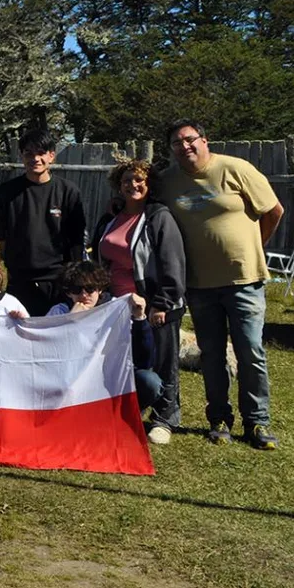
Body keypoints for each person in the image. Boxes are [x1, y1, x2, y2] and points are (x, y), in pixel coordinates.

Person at [157, 120, 284, 450]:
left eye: (190, 139)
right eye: (176, 142)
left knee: (250, 351)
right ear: (171, 149)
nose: (185, 146)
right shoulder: (168, 182)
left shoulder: (236, 168)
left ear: (204, 140)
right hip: (199, 284)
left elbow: (274, 211)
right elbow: (143, 202)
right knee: (211, 354)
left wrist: (254, 247)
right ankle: (219, 419)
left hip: (244, 280)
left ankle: (257, 421)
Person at [91, 158, 187, 445]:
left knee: (163, 361)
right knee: (125, 361)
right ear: (118, 185)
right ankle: (125, 410)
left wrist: (162, 303)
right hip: (115, 304)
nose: (133, 185)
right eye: (126, 180)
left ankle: (165, 419)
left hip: (154, 303)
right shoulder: (111, 217)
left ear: (149, 184)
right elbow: (100, 255)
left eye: (139, 180)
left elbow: (173, 263)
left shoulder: (159, 216)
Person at [45, 272, 166, 427]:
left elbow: (145, 359)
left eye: (90, 289)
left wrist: (139, 317)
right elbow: (50, 354)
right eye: (77, 290)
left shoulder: (116, 307)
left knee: (150, 381)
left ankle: (127, 416)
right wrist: (71, 322)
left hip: (110, 376)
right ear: (68, 292)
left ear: (100, 289)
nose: (84, 295)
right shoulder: (59, 312)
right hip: (73, 378)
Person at [0, 129, 87, 316]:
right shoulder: (7, 192)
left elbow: (76, 240)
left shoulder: (68, 192)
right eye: (29, 153)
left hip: (58, 282)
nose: (35, 158)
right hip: (20, 281)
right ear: (22, 156)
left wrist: (77, 278)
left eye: (41, 153)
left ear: (51, 156)